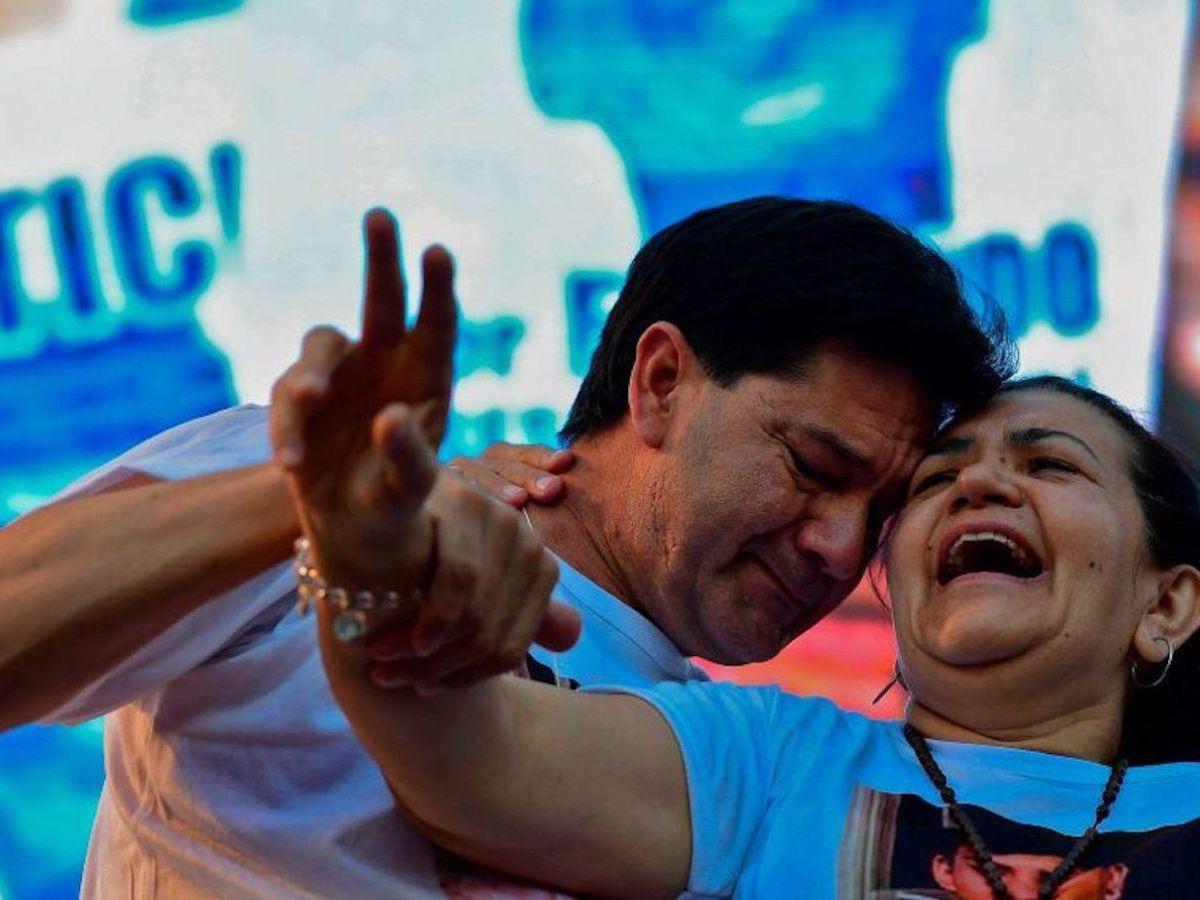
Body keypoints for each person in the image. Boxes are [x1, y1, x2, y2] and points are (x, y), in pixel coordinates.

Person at [0, 197, 1006, 896]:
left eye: (881, 515)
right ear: (661, 383)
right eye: (813, 465)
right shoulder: (321, 475)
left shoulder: (742, 765)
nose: (839, 547)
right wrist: (307, 510)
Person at [277, 263, 1200, 897]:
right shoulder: (764, 760)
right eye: (936, 481)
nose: (979, 485)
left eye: (1050, 465)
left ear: (1167, 603)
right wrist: (366, 557)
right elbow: (465, 757)